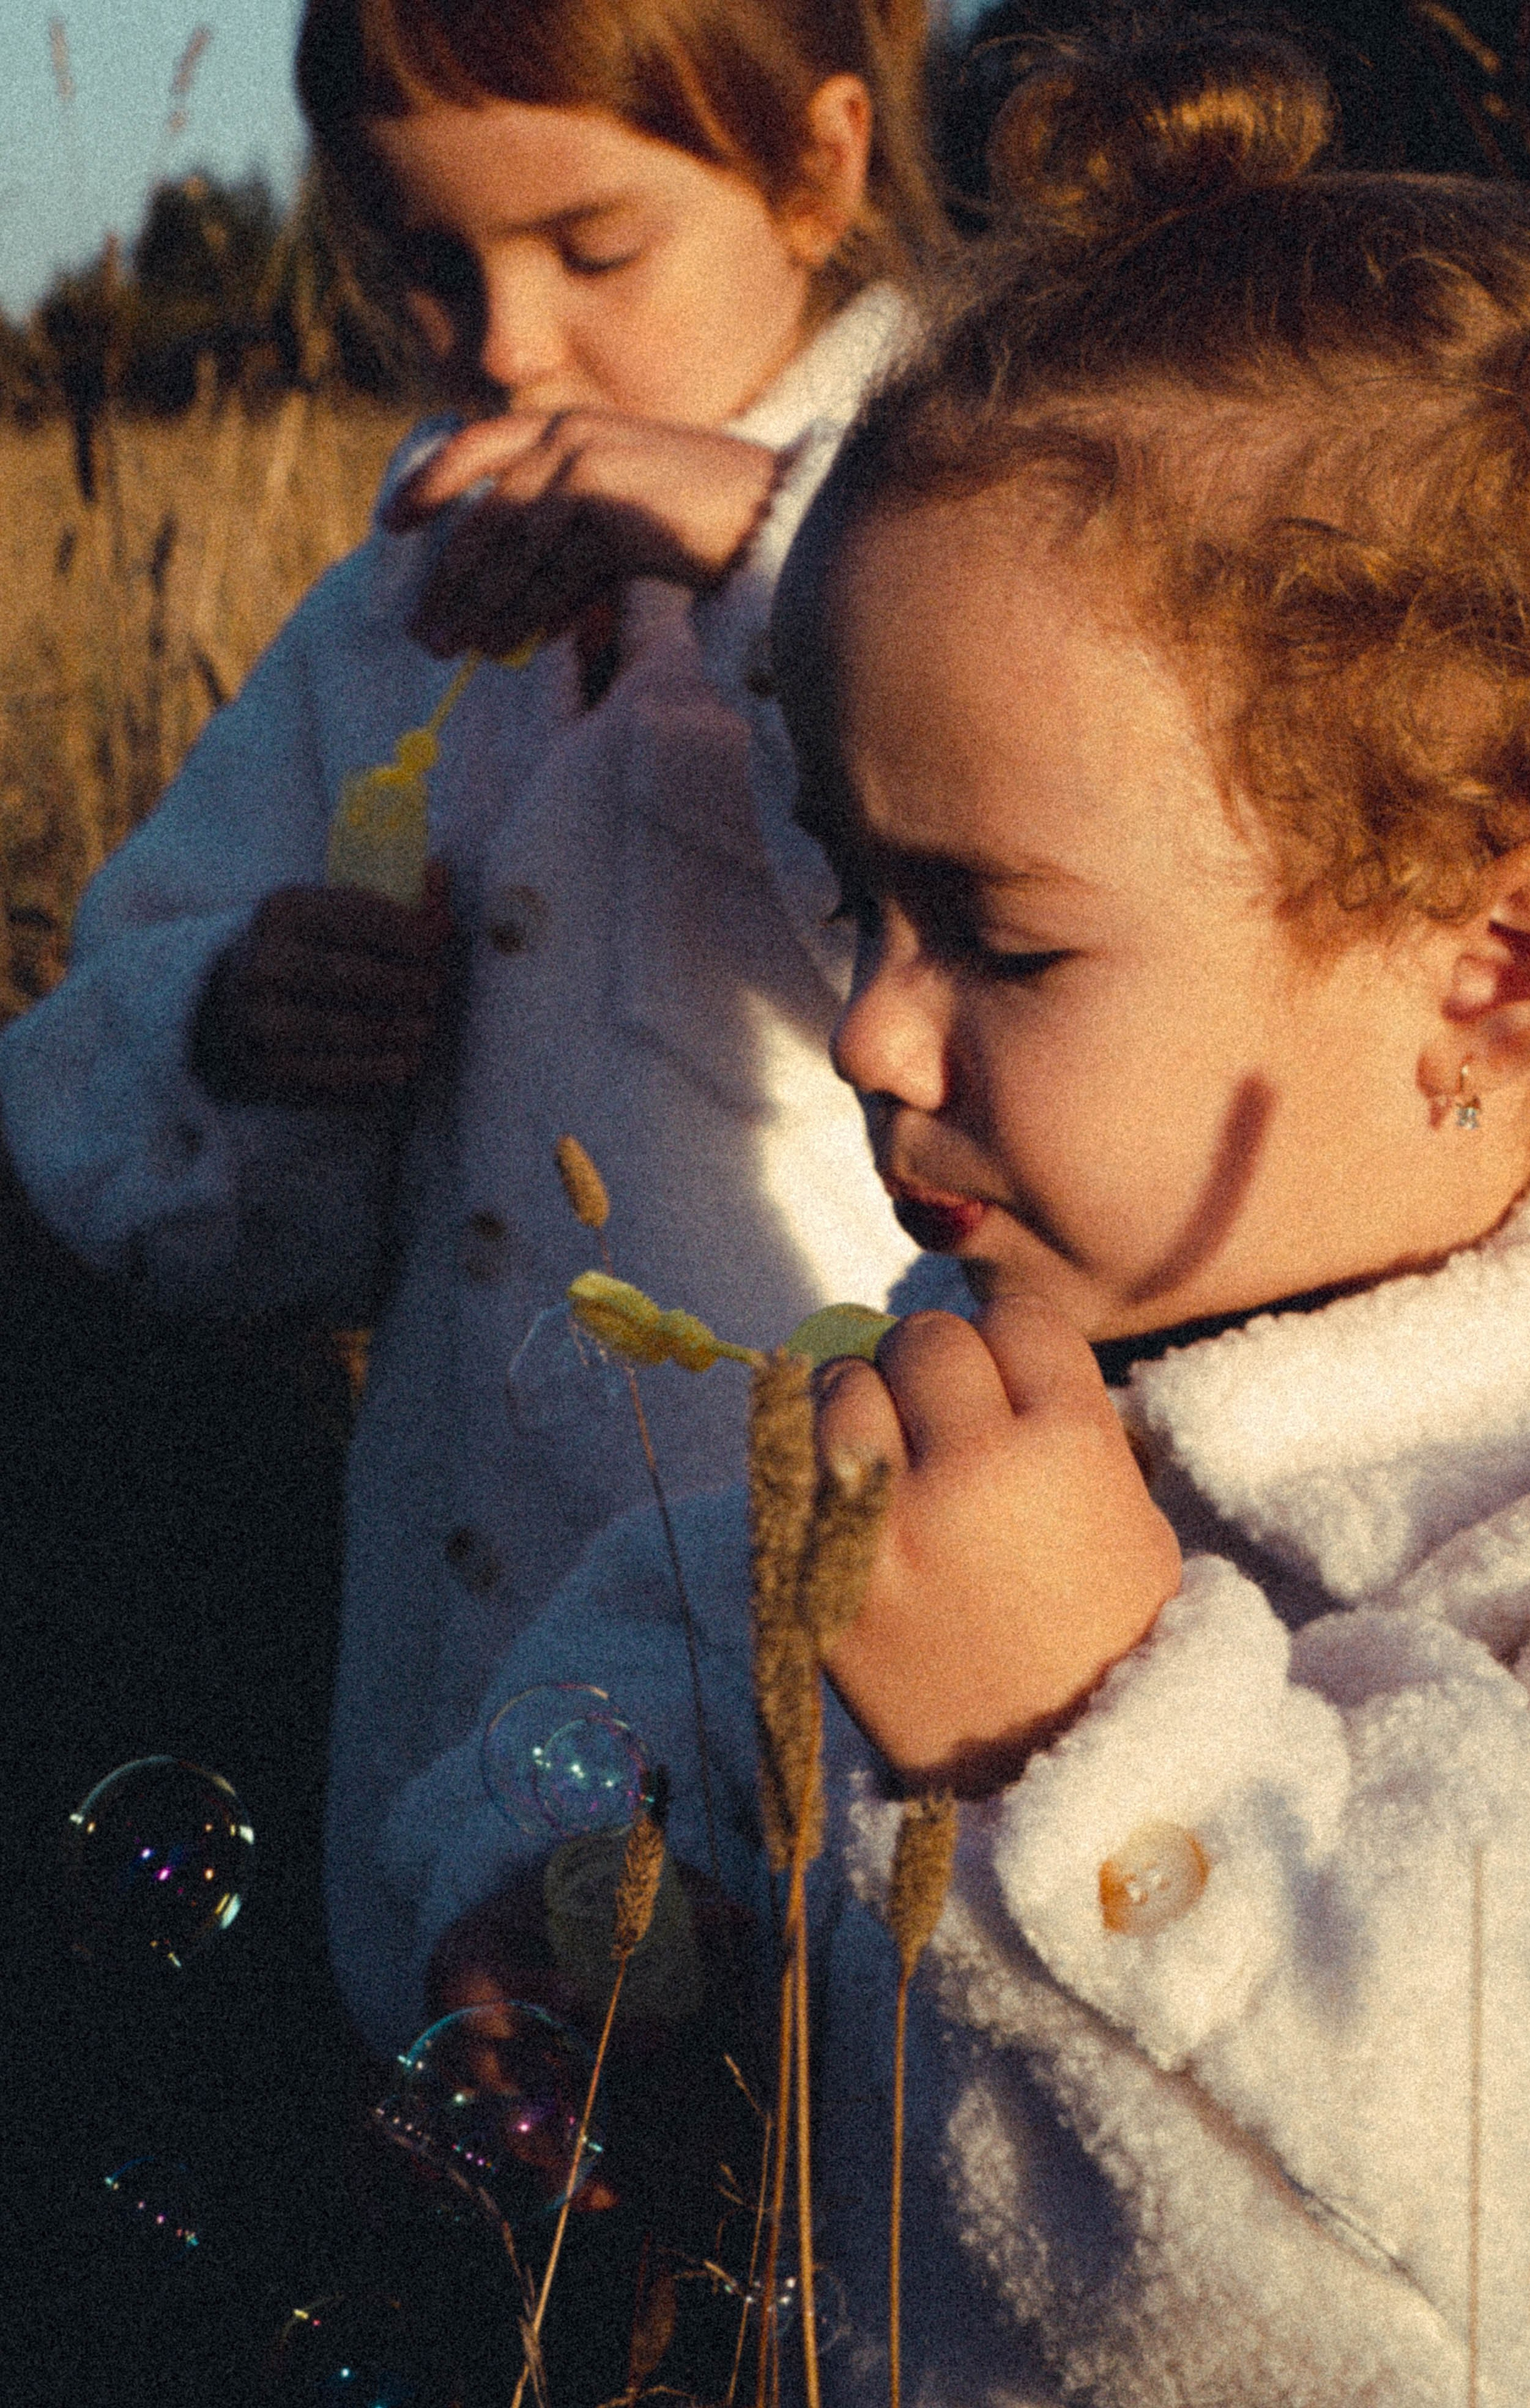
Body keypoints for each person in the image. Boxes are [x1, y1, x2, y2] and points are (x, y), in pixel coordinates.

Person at [386, 28, 1530, 2401]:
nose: (869, 1032)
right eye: (854, 900)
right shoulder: (970, 1337)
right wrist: (563, 1903)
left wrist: (1073, 1735)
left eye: (1000, 938)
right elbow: (648, 1648)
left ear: (1495, 967)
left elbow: (1521, 2267)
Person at [0, 0, 950, 2047]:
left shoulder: (969, 546)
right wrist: (241, 1023)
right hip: (469, 1697)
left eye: (590, 251)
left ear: (822, 166)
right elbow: (102, 1130)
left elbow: (1011, 976)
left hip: (855, 1695)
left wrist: (768, 561)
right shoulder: (396, 609)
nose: (505, 341)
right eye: (431, 258)